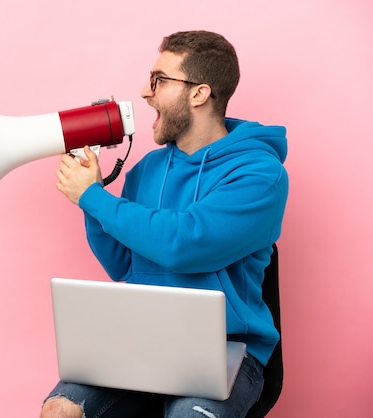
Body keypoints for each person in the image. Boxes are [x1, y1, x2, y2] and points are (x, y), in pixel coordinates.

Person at [41, 30, 289, 418]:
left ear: (198, 93)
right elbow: (122, 263)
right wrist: (90, 198)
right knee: (60, 410)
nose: (145, 91)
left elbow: (184, 244)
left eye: (158, 80)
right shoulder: (148, 170)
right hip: (140, 340)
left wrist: (93, 197)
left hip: (225, 348)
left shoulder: (259, 174)